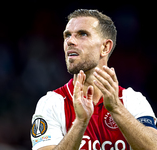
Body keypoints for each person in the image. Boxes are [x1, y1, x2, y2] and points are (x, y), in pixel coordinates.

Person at [30, 9, 157, 150]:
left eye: (82, 34)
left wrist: (116, 108)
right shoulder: (52, 103)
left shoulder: (132, 101)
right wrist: (80, 123)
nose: (70, 41)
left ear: (105, 47)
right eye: (67, 35)